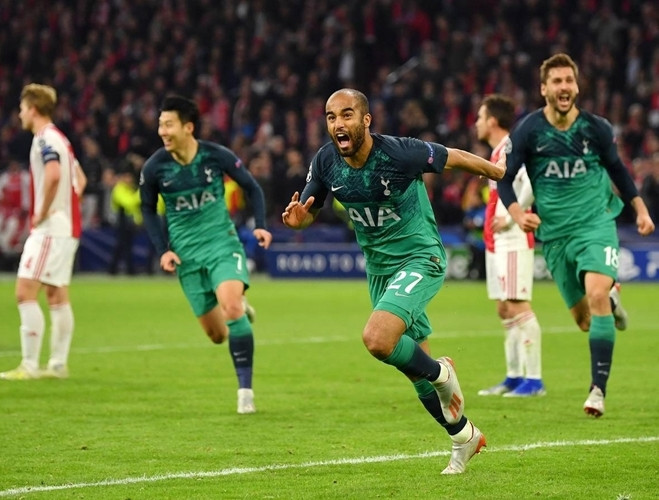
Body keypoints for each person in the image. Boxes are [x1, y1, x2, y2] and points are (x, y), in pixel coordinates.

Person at [282, 88, 506, 474]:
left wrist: (499, 173)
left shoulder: (399, 153)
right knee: (415, 374)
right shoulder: (326, 161)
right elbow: (309, 210)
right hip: (380, 271)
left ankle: (442, 372)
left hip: (420, 258)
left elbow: (454, 157)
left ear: (366, 120)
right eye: (331, 117)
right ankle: (464, 437)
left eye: (347, 114)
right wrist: (299, 220)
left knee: (377, 339)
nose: (338, 123)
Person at [498, 53, 655, 418]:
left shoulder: (595, 128)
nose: (564, 87)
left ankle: (597, 391)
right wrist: (518, 213)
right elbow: (505, 177)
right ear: (544, 89)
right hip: (555, 236)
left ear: (577, 86)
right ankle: (612, 302)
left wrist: (640, 209)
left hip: (595, 224)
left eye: (569, 80)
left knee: (596, 293)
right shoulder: (528, 130)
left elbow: (618, 170)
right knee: (585, 320)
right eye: (556, 81)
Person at [139, 95, 272, 414]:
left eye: (168, 124)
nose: (162, 131)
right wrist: (163, 250)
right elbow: (147, 208)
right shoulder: (155, 167)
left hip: (221, 245)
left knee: (230, 308)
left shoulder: (215, 156)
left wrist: (261, 225)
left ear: (188, 127)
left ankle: (245, 393)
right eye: (160, 124)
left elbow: (252, 187)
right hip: (187, 257)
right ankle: (241, 309)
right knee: (216, 335)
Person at [1, 83, 87, 381]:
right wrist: (65, 206)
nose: (20, 114)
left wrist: (44, 210)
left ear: (33, 109)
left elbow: (52, 174)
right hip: (67, 228)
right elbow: (80, 180)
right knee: (56, 294)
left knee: (24, 291)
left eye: (22, 109)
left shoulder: (44, 139)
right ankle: (57, 365)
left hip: (50, 229)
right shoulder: (62, 139)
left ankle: (29, 366)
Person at [475, 94, 545, 398]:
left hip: (513, 236)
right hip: (496, 240)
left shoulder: (511, 147)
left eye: (480, 117)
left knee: (517, 304)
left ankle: (535, 380)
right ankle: (514, 376)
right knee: (505, 308)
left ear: (492, 121)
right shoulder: (497, 151)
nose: (476, 123)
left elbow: (531, 181)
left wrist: (513, 216)